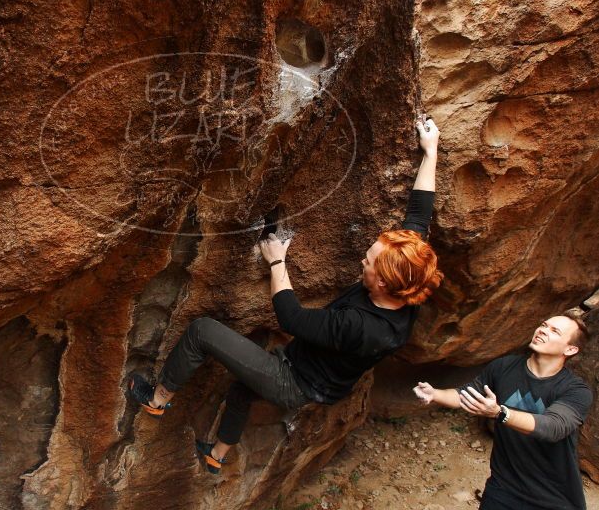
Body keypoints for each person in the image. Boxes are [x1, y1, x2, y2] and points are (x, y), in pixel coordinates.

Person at [129, 115, 443, 474]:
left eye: (369, 262)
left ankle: (157, 399)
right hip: (317, 374)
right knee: (242, 390)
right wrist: (430, 151)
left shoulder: (362, 327)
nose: (363, 259)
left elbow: (291, 318)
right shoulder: (411, 279)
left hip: (294, 382)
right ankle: (216, 455)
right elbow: (419, 215)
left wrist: (277, 260)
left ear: (384, 283)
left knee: (202, 331)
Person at [413, 310, 592, 510]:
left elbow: (553, 427)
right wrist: (435, 394)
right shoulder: (504, 367)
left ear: (570, 349)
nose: (543, 330)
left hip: (555, 501)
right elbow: (466, 394)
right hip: (503, 490)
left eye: (554, 331)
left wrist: (501, 413)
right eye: (543, 325)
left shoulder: (575, 390)